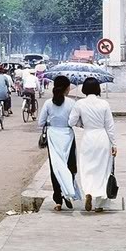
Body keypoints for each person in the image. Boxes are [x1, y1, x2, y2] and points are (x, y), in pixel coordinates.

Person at [69, 77, 117, 213]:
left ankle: (88, 191)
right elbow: (110, 126)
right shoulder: (104, 104)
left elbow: (71, 121)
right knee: (103, 170)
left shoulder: (79, 104)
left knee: (87, 168)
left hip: (88, 137)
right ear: (98, 89)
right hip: (102, 138)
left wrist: (82, 124)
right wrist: (114, 144)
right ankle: (100, 204)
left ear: (84, 89)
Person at [38, 76, 79, 211]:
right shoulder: (72, 103)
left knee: (55, 167)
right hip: (68, 136)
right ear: (67, 88)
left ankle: (58, 200)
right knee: (70, 165)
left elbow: (41, 122)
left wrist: (52, 122)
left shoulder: (49, 103)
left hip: (53, 137)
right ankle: (69, 192)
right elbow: (74, 122)